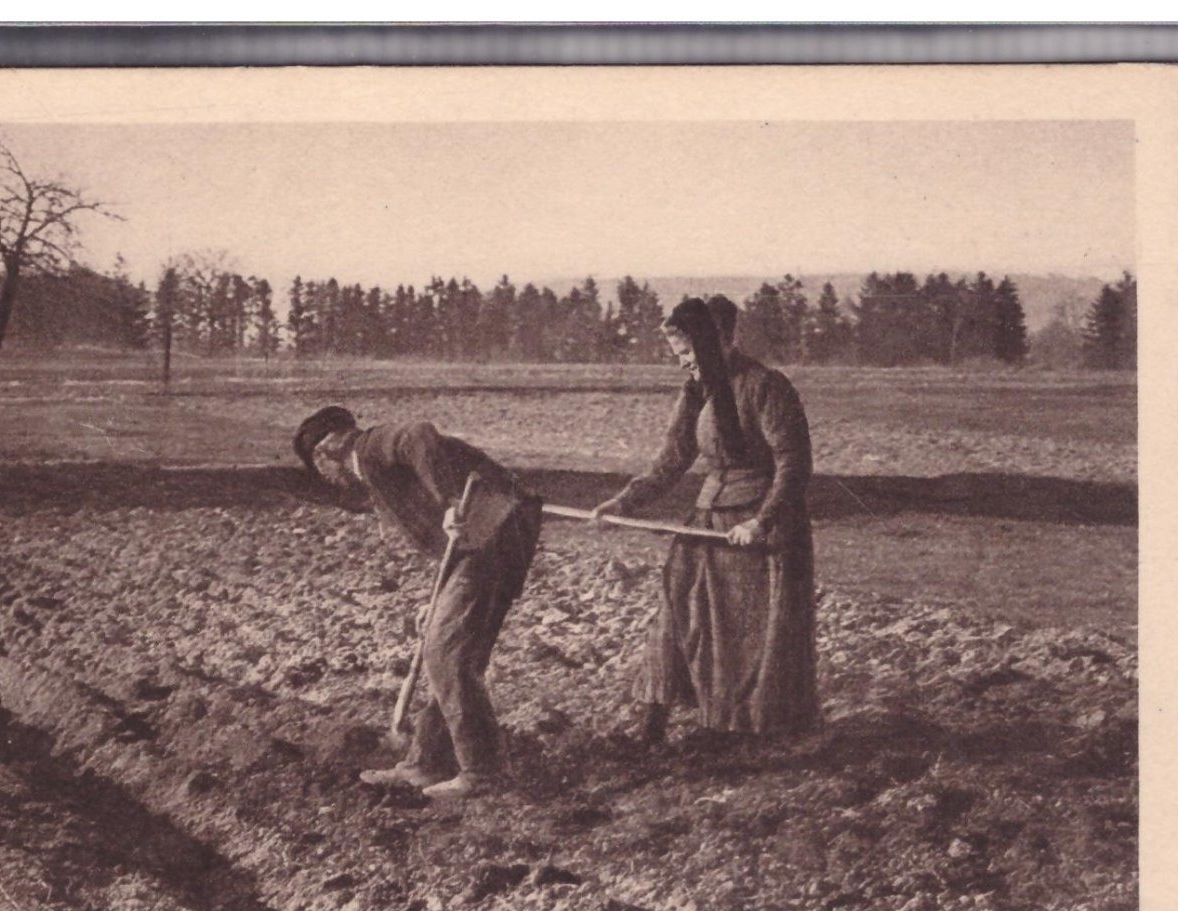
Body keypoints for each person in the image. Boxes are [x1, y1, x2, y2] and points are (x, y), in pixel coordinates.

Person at [591, 295, 819, 746]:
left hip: (756, 532)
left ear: (721, 344)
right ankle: (651, 729)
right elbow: (671, 460)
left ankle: (741, 732)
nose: (684, 366)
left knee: (741, 635)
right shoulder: (697, 391)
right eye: (679, 357)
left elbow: (793, 463)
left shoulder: (765, 386)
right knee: (675, 610)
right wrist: (622, 503)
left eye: (689, 355)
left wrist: (761, 521)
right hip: (707, 523)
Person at [294, 406, 543, 799]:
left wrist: (448, 502)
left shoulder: (370, 448)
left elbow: (419, 435)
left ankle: (484, 771)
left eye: (318, 467)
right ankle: (426, 762)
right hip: (492, 534)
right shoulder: (379, 474)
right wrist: (438, 595)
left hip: (493, 530)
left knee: (447, 651)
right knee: (449, 647)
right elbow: (449, 542)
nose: (326, 479)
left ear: (328, 450)